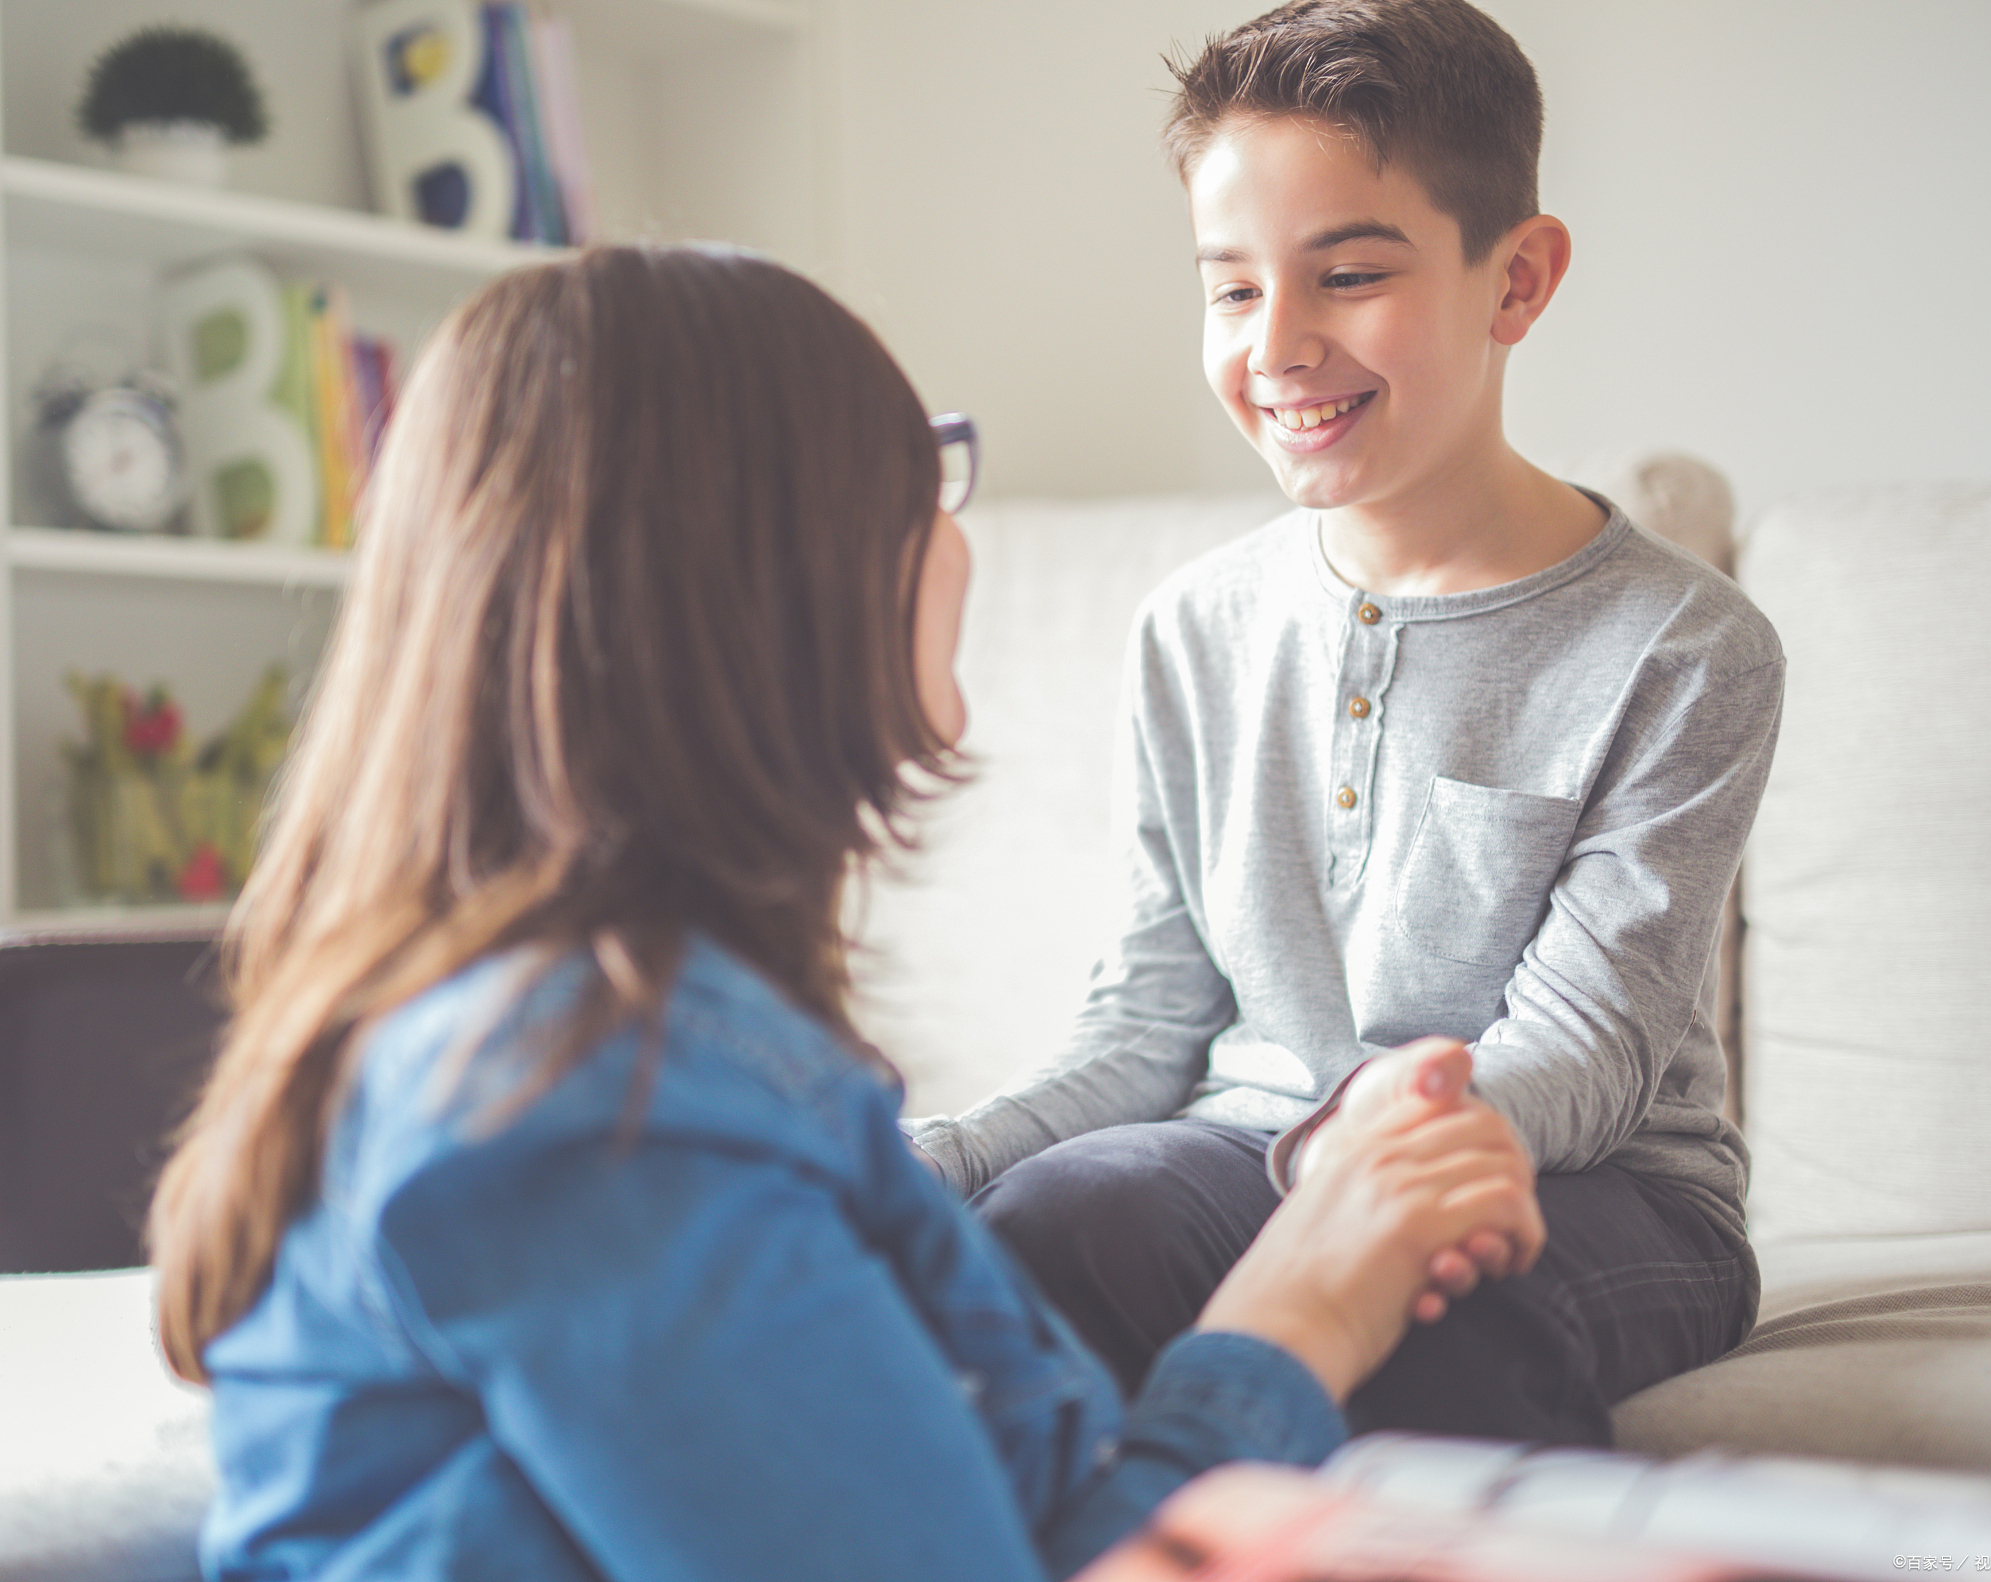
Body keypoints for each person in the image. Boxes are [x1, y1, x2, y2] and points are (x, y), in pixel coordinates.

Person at [146, 245, 1543, 1581]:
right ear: (776, 567)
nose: (956, 530)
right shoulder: (583, 1109)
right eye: (921, 473)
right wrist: (1304, 1305)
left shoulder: (662, 1055)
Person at [909, 0, 1786, 1446]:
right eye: (1233, 289)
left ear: (1518, 280)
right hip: (1248, 1147)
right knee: (1054, 1217)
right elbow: (1148, 1024)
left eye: (1350, 274)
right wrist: (934, 1161)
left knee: (1438, 1303)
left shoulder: (1684, 646)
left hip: (1596, 1183)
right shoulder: (1191, 629)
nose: (1280, 345)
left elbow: (1587, 1049)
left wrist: (1361, 1185)